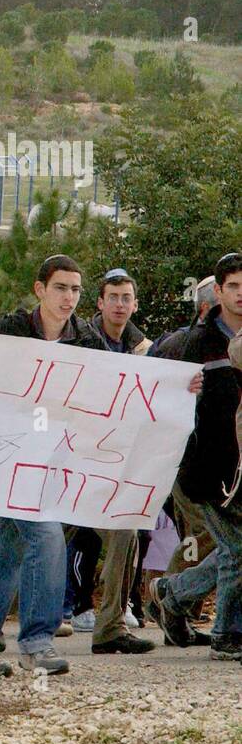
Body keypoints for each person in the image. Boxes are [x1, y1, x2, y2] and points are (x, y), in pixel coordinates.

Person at [0, 256, 149, 678]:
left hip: (54, 462)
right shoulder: (8, 330)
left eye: (76, 290)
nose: (69, 298)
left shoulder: (86, 338)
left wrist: (179, 386)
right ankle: (36, 643)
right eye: (61, 288)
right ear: (39, 289)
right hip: (9, 460)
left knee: (7, 554)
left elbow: (117, 386)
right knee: (47, 539)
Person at [148, 253, 242, 660]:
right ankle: (226, 635)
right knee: (237, 550)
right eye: (234, 286)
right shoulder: (194, 343)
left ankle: (171, 593)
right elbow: (154, 396)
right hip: (208, 470)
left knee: (232, 550)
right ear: (217, 291)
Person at [79, 269, 157, 655]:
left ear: (135, 304)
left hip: (113, 467)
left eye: (127, 297)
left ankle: (110, 626)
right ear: (100, 302)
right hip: (69, 461)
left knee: (125, 533)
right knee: (30, 541)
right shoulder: (79, 340)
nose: (120, 304)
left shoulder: (146, 349)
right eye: (113, 296)